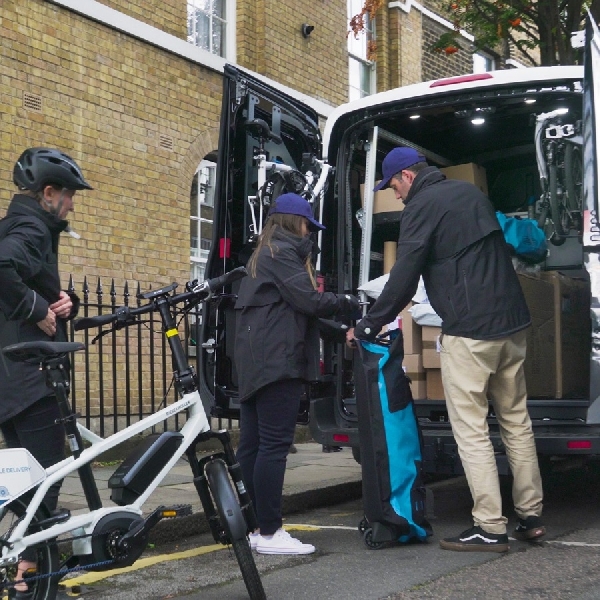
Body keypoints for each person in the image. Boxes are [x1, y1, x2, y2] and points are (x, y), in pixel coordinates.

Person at [346, 147, 545, 553]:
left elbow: (405, 271)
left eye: (394, 186)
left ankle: (489, 526)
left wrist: (370, 321)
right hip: (513, 325)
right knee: (516, 422)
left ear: (407, 176)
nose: (396, 195)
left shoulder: (422, 206)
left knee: (471, 432)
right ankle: (530, 516)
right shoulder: (470, 194)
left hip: (471, 332)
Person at [234, 192, 360, 555]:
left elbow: (299, 310)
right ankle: (271, 532)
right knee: (272, 448)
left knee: (253, 447)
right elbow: (310, 302)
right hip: (278, 364)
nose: (311, 232)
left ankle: (255, 527)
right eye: (308, 225)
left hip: (257, 364)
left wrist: (338, 331)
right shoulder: (283, 252)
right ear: (296, 223)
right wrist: (351, 302)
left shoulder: (264, 253)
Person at [0, 147, 92, 597]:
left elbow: (27, 278)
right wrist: (38, 309)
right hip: (30, 381)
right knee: (48, 481)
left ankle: (27, 573)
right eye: (70, 194)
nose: (73, 203)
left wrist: (61, 300)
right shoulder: (31, 226)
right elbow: (2, 268)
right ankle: (27, 580)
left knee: (28, 482)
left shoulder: (20, 225)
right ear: (48, 192)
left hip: (12, 379)